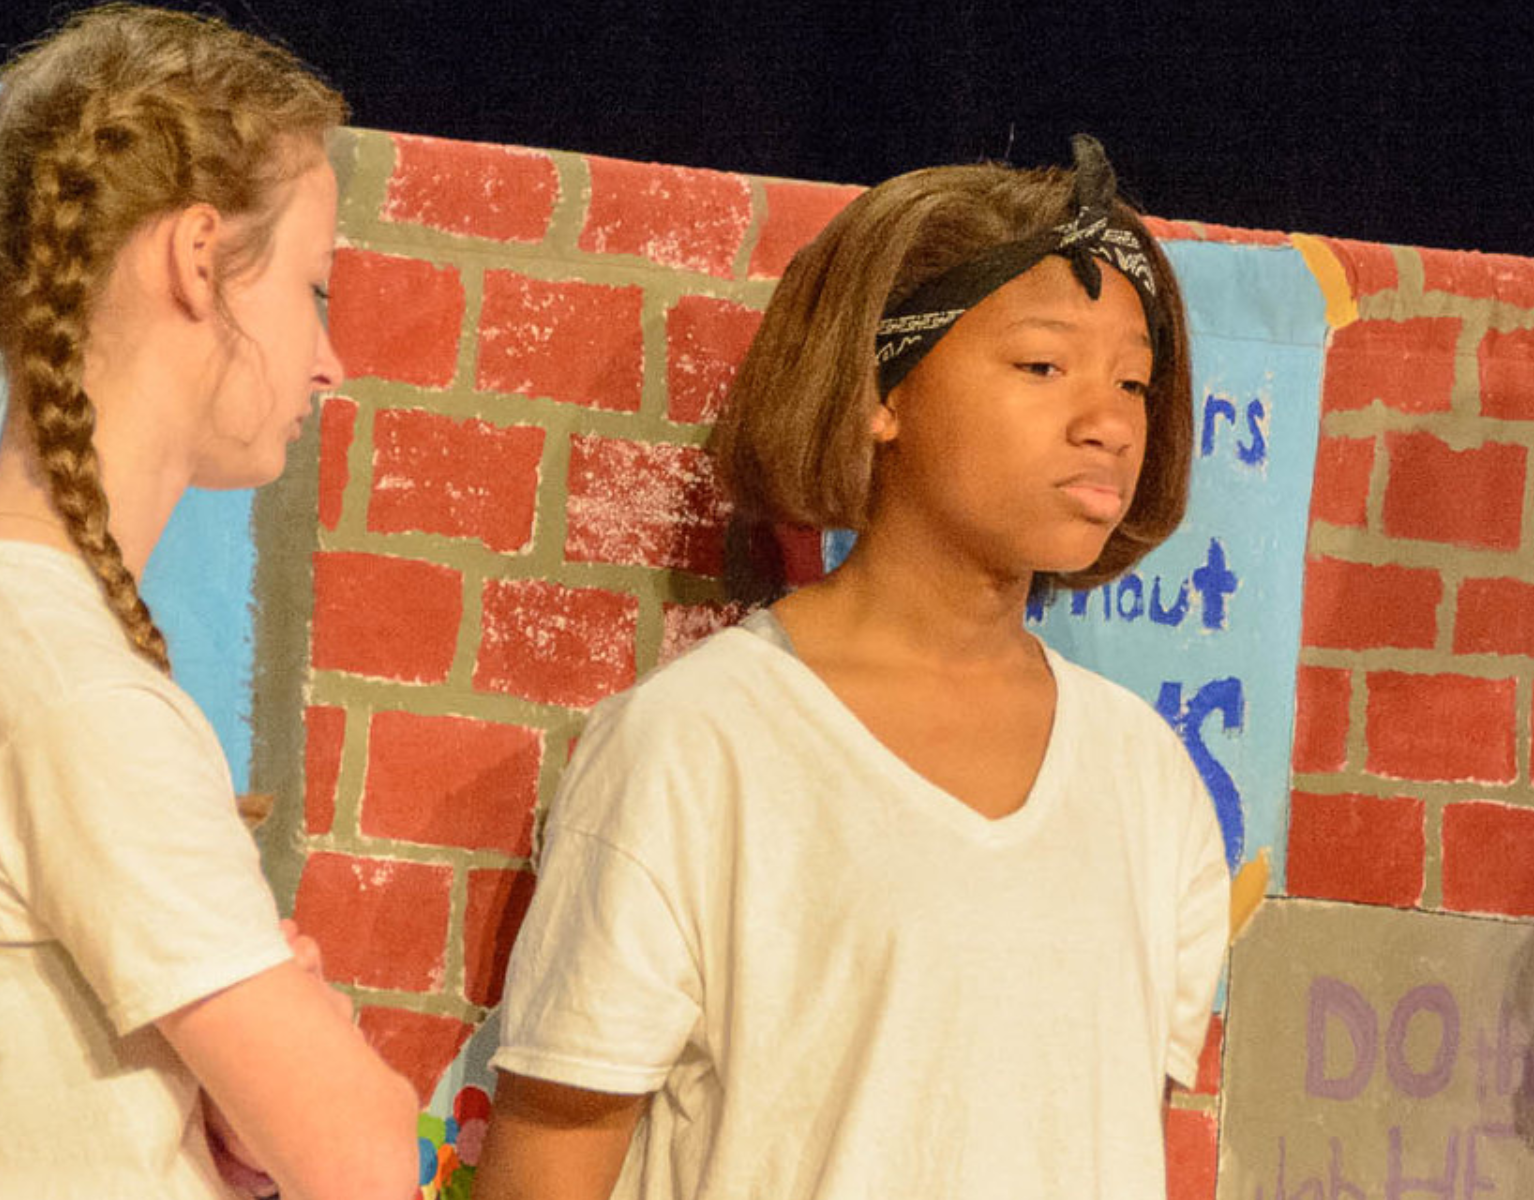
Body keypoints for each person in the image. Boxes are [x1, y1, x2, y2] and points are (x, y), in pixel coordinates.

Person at [472, 136, 1231, 1200]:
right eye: (1043, 367)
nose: (1107, 424)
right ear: (883, 390)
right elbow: (550, 1162)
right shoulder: (700, 744)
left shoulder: (1144, 775)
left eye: (1135, 383)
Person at [0, 6, 417, 1195]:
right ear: (198, 259)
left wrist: (225, 1112)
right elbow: (367, 1156)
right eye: (313, 288)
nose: (330, 360)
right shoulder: (60, 676)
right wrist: (325, 1077)